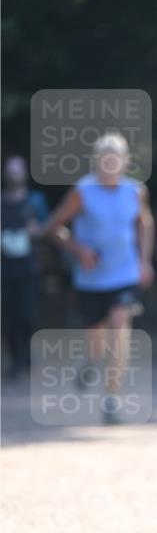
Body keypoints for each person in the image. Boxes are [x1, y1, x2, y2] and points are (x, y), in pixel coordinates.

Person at [41, 132, 155, 423]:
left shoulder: (136, 191)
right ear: (96, 163)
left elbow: (145, 223)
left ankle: (112, 398)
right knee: (97, 338)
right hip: (90, 278)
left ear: (125, 162)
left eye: (115, 161)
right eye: (104, 162)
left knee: (120, 324)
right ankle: (92, 360)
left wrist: (143, 260)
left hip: (124, 273)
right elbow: (53, 227)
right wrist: (79, 250)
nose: (109, 167)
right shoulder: (83, 190)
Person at [1, 155, 42, 378]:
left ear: (24, 173)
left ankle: (27, 356)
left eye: (17, 170)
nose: (13, 174)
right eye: (10, 170)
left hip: (29, 268)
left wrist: (34, 231)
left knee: (27, 314)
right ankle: (15, 360)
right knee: (9, 316)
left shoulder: (34, 201)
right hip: (5, 269)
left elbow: (48, 228)